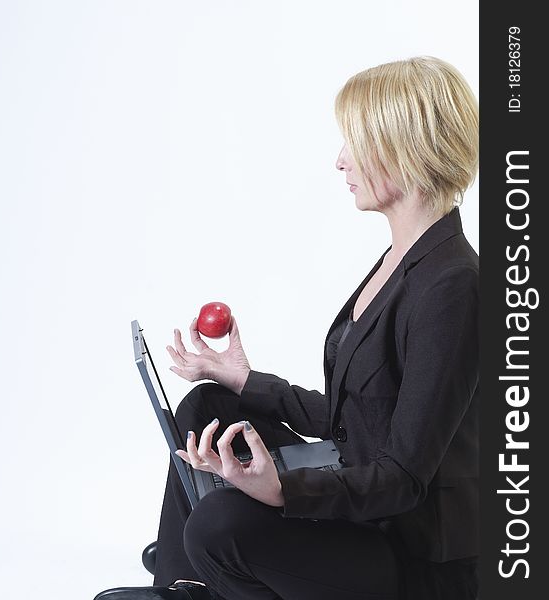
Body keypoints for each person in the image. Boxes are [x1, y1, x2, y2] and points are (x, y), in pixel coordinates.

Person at [94, 56, 479, 600]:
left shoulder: (451, 286)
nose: (340, 161)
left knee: (219, 524)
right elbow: (358, 422)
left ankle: (216, 564)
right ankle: (185, 585)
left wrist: (283, 492)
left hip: (406, 552)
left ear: (403, 149)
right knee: (207, 409)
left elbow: (405, 475)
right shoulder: (401, 257)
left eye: (354, 143)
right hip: (366, 503)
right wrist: (243, 382)